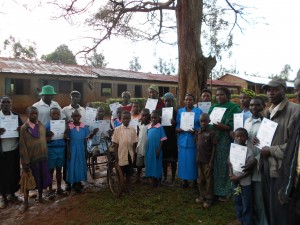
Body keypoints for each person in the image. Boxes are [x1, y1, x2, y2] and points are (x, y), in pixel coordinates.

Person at [256, 78, 300, 225]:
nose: (270, 93)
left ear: (284, 90)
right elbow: (268, 139)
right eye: (268, 90)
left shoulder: (295, 111)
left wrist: (271, 150)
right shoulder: (268, 111)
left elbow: (294, 147)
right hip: (266, 166)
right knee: (269, 206)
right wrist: (259, 142)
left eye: (275, 89)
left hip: (281, 170)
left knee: (281, 211)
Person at [208, 87, 240, 201]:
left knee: (224, 165)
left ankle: (225, 191)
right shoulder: (213, 107)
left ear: (227, 95)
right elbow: (207, 122)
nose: (218, 97)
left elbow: (236, 125)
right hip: (212, 140)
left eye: (221, 95)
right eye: (217, 95)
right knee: (214, 164)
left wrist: (224, 127)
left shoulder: (234, 108)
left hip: (225, 140)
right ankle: (214, 189)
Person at [19, 106, 52, 213]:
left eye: (36, 114)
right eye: (32, 114)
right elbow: (22, 146)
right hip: (31, 159)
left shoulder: (41, 125)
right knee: (28, 179)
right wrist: (25, 163)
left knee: (40, 178)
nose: (34, 115)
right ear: (27, 114)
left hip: (42, 157)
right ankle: (25, 202)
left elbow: (43, 139)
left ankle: (40, 197)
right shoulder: (24, 128)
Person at [277, 76, 300, 225]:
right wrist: (286, 185)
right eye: (297, 89)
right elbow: (291, 152)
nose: (298, 93)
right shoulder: (299, 118)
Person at [243, 96, 268, 225]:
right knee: (248, 195)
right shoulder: (247, 121)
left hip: (259, 163)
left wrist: (257, 159)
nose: (254, 107)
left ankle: (262, 221)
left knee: (259, 198)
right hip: (247, 162)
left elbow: (269, 145)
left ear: (264, 106)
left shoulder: (267, 123)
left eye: (257, 105)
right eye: (252, 105)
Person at [0, 96, 23, 209]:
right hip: (2, 151)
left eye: (8, 102)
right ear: (0, 104)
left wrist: (20, 129)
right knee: (3, 175)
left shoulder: (16, 116)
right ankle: (3, 198)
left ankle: (13, 195)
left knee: (14, 173)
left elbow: (23, 129)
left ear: (11, 104)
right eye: (3, 102)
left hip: (14, 149)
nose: (5, 104)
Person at [176, 93, 202, 188]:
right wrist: (179, 129)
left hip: (193, 140)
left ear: (194, 101)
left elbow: (201, 126)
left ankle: (195, 181)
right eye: (186, 100)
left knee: (193, 161)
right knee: (183, 161)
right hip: (182, 140)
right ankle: (184, 181)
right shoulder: (180, 111)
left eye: (190, 100)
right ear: (184, 101)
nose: (188, 101)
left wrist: (196, 131)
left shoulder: (199, 111)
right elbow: (177, 125)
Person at [229, 128, 254, 225]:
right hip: (234, 180)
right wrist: (231, 174)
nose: (239, 138)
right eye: (237, 136)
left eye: (242, 136)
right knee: (237, 200)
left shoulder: (249, 150)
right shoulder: (233, 148)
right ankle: (240, 219)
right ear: (234, 137)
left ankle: (247, 221)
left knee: (246, 202)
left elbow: (249, 170)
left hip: (245, 182)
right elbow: (229, 162)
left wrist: (238, 178)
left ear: (246, 137)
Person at [112, 110, 138, 195]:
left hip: (130, 154)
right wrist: (116, 156)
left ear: (130, 119)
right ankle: (121, 188)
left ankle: (128, 188)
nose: (126, 120)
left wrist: (134, 154)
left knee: (129, 173)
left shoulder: (133, 130)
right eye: (124, 118)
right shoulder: (117, 129)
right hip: (121, 154)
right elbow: (115, 144)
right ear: (121, 119)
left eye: (127, 118)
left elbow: (134, 143)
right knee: (121, 173)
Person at [195, 113, 216, 208]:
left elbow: (214, 147)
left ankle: (209, 198)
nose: (203, 123)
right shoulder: (198, 132)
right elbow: (197, 145)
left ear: (209, 121)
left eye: (205, 121)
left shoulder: (212, 133)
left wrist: (211, 161)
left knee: (209, 180)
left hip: (208, 161)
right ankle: (201, 195)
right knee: (200, 179)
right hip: (200, 160)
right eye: (201, 121)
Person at [65, 110, 90, 193]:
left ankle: (79, 181)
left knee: (80, 164)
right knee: (73, 164)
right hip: (72, 148)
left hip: (81, 148)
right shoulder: (69, 127)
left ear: (80, 117)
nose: (76, 117)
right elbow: (67, 141)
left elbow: (85, 140)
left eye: (78, 116)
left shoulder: (84, 127)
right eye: (74, 116)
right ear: (72, 117)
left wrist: (86, 150)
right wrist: (68, 151)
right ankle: (74, 183)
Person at [45, 107, 66, 197]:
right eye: (54, 114)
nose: (56, 115)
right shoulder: (47, 126)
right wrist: (47, 138)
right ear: (50, 115)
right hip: (51, 150)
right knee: (50, 170)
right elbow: (44, 139)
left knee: (59, 169)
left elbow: (66, 136)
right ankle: (50, 190)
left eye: (58, 114)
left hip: (61, 149)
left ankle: (59, 187)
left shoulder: (63, 124)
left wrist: (65, 135)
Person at [145, 110, 167, 187]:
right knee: (150, 164)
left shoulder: (160, 127)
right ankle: (153, 180)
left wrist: (158, 150)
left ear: (158, 118)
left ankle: (159, 181)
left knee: (157, 165)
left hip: (157, 150)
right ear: (150, 118)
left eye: (155, 117)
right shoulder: (148, 127)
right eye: (152, 118)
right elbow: (148, 138)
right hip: (150, 150)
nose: (153, 119)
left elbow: (162, 140)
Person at [161, 92, 178, 186]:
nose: (167, 102)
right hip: (164, 139)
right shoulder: (162, 111)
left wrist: (174, 122)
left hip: (172, 139)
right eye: (165, 100)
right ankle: (164, 176)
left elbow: (179, 124)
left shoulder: (176, 112)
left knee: (173, 160)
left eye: (169, 101)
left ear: (172, 101)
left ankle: (173, 178)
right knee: (164, 159)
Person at [135, 108, 151, 184]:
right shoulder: (139, 124)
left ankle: (148, 178)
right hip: (140, 147)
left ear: (149, 116)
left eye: (146, 116)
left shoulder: (151, 125)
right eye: (143, 116)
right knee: (139, 164)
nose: (144, 117)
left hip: (147, 148)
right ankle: (138, 177)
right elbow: (138, 134)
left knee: (147, 164)